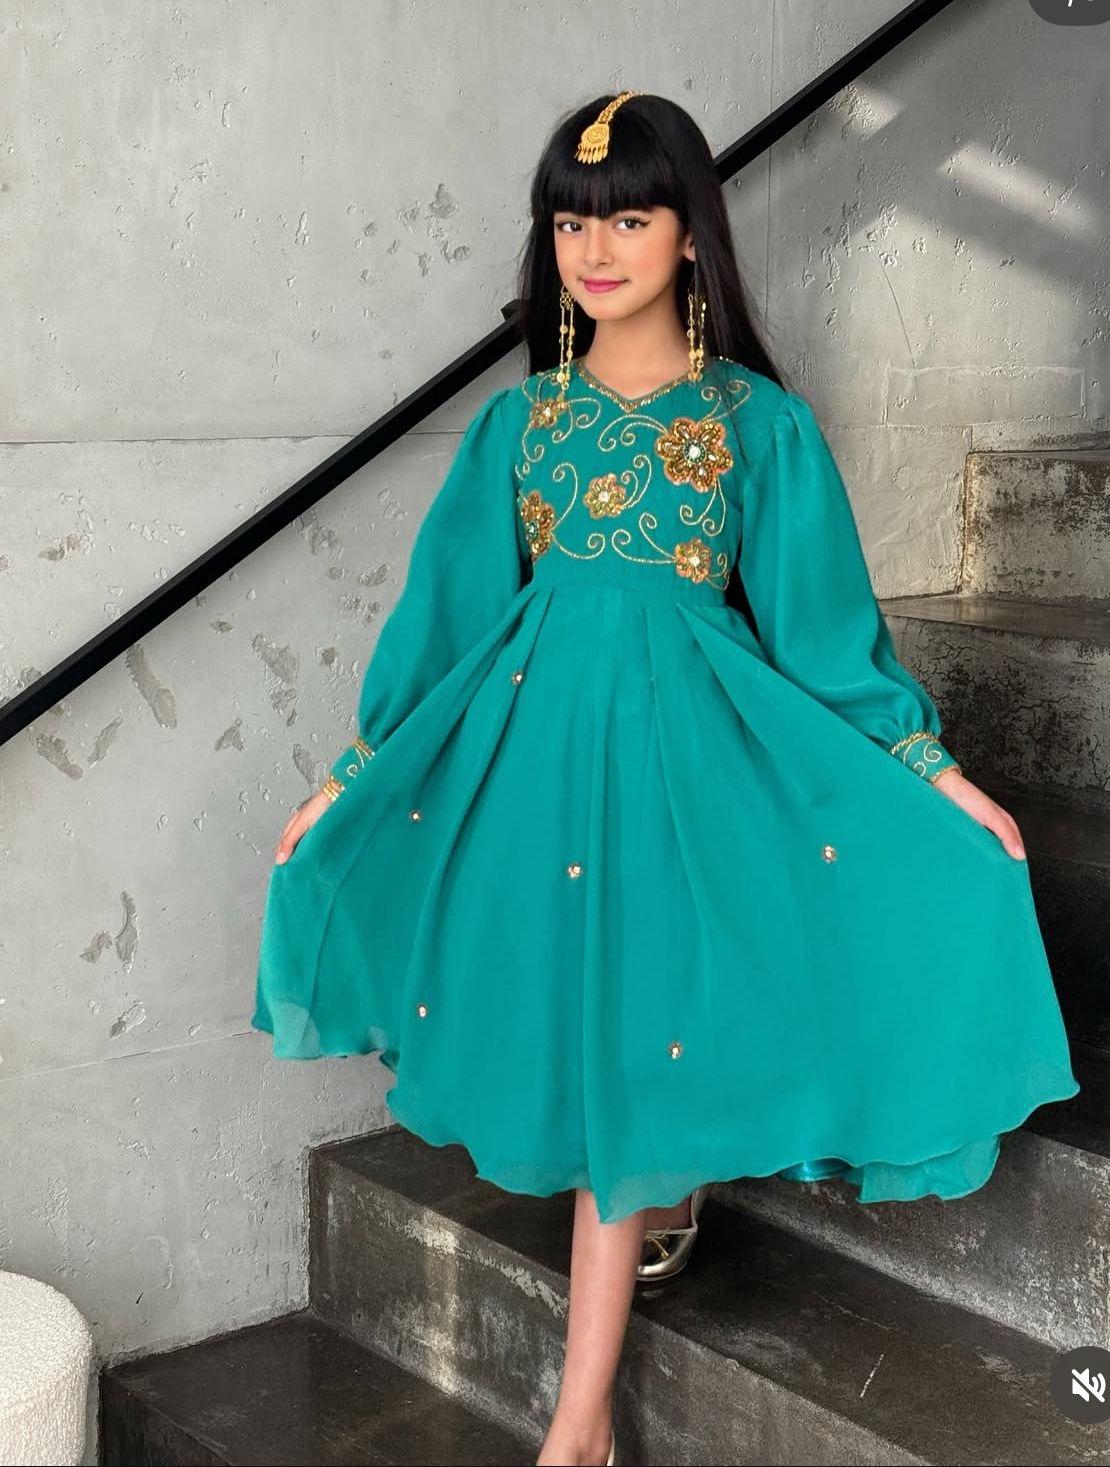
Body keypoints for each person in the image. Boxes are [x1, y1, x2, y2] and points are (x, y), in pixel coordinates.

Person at [251, 91, 1079, 1467]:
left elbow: (824, 638)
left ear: (692, 233)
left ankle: (578, 1421)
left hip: (694, 761)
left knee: (654, 1016)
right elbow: (444, 626)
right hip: (536, 765)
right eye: (571, 222)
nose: (595, 249)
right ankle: (645, 1228)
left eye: (628, 219)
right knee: (594, 1017)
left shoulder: (759, 427)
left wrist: (934, 776)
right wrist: (349, 778)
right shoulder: (520, 427)